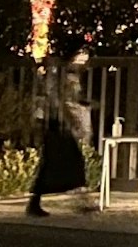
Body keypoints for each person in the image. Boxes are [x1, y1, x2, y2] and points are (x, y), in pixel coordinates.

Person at [28, 50, 93, 217]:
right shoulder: (62, 74)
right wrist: (70, 119)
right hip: (57, 123)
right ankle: (82, 201)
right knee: (71, 161)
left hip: (56, 122)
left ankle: (35, 202)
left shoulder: (63, 74)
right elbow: (60, 100)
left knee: (54, 163)